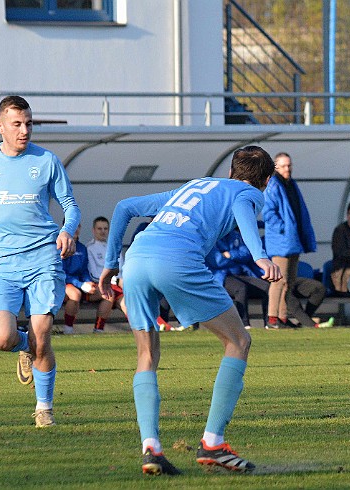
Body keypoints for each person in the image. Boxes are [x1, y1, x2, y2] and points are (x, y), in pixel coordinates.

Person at [98, 146, 282, 476]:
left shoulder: (194, 185)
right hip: (177, 261)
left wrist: (111, 265)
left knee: (146, 355)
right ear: (267, 180)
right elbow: (243, 208)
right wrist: (260, 256)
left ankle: (151, 448)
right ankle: (213, 442)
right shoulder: (250, 193)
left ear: (230, 170)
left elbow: (124, 208)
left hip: (136, 261)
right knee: (238, 342)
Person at [0, 95, 81, 428]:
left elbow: (70, 205)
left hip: (43, 260)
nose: (24, 130)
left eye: (29, 123)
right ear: (0, 127)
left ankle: (44, 408)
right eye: (17, 124)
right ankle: (25, 347)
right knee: (2, 339)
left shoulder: (47, 161)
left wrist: (67, 230)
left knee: (43, 334)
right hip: (3, 265)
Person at [263, 152, 317, 329]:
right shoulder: (273, 185)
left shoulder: (291, 184)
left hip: (293, 241)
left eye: (289, 165)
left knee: (289, 282)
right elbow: (268, 213)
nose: (288, 169)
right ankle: (272, 319)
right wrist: (284, 228)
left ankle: (282, 317)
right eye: (284, 165)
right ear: (276, 167)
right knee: (278, 281)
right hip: (281, 242)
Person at [86, 216, 126, 332]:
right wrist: (115, 281)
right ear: (94, 230)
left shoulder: (114, 248)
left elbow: (121, 270)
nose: (103, 231)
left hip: (116, 285)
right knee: (109, 294)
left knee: (128, 301)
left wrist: (121, 281)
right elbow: (93, 274)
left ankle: (144, 328)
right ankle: (98, 329)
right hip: (99, 285)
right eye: (99, 229)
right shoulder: (90, 248)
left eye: (105, 229)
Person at [61, 223, 97, 335]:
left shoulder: (82, 248)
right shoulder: (61, 246)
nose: (76, 229)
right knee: (75, 294)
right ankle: (68, 329)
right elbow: (62, 272)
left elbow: (84, 270)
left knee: (106, 294)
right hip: (64, 282)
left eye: (78, 226)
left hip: (79, 283)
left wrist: (87, 282)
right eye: (73, 226)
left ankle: (99, 330)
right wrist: (80, 284)